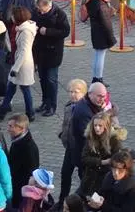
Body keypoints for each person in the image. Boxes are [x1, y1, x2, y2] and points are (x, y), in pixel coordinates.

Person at [0, 7, 37, 121]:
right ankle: (3, 110)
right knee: (11, 88)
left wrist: (15, 68)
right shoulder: (21, 28)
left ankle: (30, 112)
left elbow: (24, 51)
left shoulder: (26, 31)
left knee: (24, 89)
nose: (12, 17)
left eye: (13, 15)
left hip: (22, 65)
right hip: (17, 62)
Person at [32, 0, 69, 117]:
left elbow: (65, 32)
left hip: (53, 52)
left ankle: (52, 106)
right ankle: (45, 102)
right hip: (40, 51)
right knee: (42, 79)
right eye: (39, 10)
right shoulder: (36, 12)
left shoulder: (59, 14)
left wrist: (47, 31)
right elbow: (32, 22)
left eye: (43, 10)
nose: (41, 12)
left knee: (51, 80)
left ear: (49, 5)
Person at [56, 79, 87, 210]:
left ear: (84, 93)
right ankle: (62, 200)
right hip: (69, 147)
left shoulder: (85, 108)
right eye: (70, 91)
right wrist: (62, 134)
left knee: (83, 176)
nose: (72, 94)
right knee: (65, 174)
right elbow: (66, 123)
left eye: (76, 92)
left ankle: (83, 200)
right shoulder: (68, 106)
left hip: (81, 149)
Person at [79, 112, 126, 198]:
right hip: (89, 178)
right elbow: (84, 158)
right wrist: (102, 162)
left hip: (105, 178)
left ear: (106, 126)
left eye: (100, 126)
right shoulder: (91, 137)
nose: (97, 128)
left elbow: (117, 160)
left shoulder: (114, 140)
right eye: (95, 125)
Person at [69, 82, 106, 179]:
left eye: (103, 96)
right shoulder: (84, 112)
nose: (102, 99)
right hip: (86, 157)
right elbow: (90, 137)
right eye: (99, 96)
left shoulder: (91, 104)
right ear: (90, 94)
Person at [7, 114, 39, 209]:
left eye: (11, 126)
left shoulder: (28, 147)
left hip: (21, 191)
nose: (8, 129)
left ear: (22, 129)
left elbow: (32, 171)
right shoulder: (17, 141)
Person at [87, 0, 116, 84]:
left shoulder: (93, 2)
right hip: (102, 33)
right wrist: (111, 37)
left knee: (97, 55)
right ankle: (98, 78)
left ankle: (95, 77)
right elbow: (106, 22)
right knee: (100, 57)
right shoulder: (101, 5)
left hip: (95, 32)